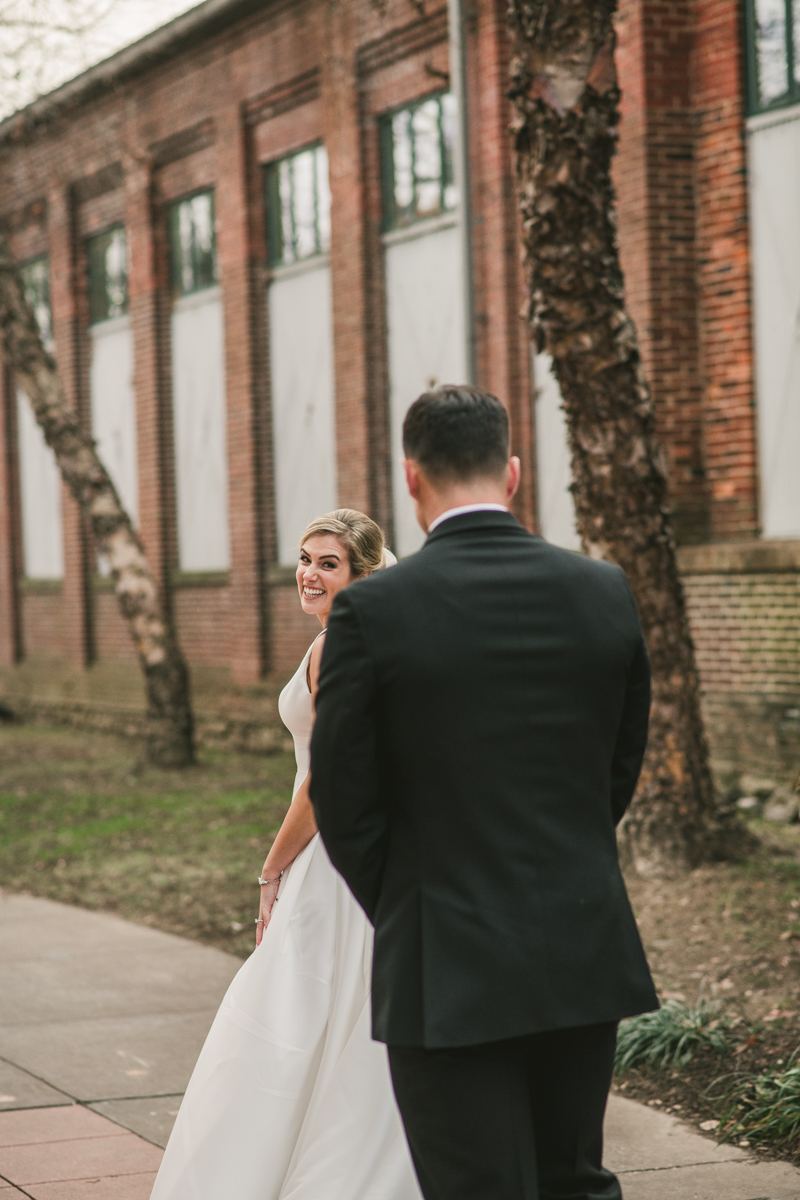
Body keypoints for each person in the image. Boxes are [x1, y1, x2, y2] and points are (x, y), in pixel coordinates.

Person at [310, 385, 659, 1200]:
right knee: (573, 1180)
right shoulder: (602, 588)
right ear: (510, 472)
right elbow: (619, 760)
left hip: (445, 957)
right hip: (580, 942)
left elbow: (343, 794)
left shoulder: (373, 610)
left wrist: (409, 898)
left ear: (409, 478)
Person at [150, 509, 420, 1200]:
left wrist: (271, 868)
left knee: (297, 1013)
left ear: (361, 573)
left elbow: (325, 781)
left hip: (330, 862)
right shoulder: (359, 638)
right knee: (332, 1016)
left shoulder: (341, 646)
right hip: (359, 854)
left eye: (328, 563)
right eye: (304, 558)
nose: (308, 572)